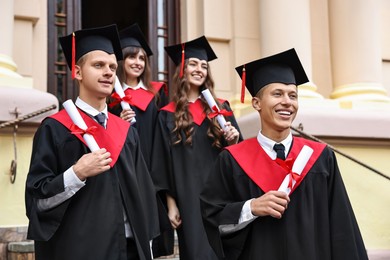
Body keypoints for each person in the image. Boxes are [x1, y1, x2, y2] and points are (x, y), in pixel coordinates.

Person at [200, 48, 369, 260]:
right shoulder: (232, 160)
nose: (287, 102)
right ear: (257, 103)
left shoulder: (320, 157)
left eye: (293, 96)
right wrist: (251, 207)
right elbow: (212, 216)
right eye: (277, 94)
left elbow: (342, 226)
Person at [25, 24, 160, 260]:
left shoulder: (127, 132)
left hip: (128, 250)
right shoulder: (55, 128)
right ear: (77, 72)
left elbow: (144, 197)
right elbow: (38, 202)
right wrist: (76, 173)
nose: (108, 72)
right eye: (98, 65)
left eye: (112, 67)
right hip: (79, 250)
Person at [150, 35, 243, 260]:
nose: (199, 69)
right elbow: (162, 163)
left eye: (204, 66)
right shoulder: (167, 114)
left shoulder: (221, 108)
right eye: (193, 64)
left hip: (221, 195)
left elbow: (239, 155)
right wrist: (171, 205)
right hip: (188, 197)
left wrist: (234, 140)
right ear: (182, 69)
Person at [109, 23, 168, 170]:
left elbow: (164, 134)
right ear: (122, 61)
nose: (138, 63)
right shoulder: (109, 96)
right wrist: (119, 122)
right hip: (125, 164)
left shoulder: (157, 93)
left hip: (153, 165)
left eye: (142, 58)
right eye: (132, 57)